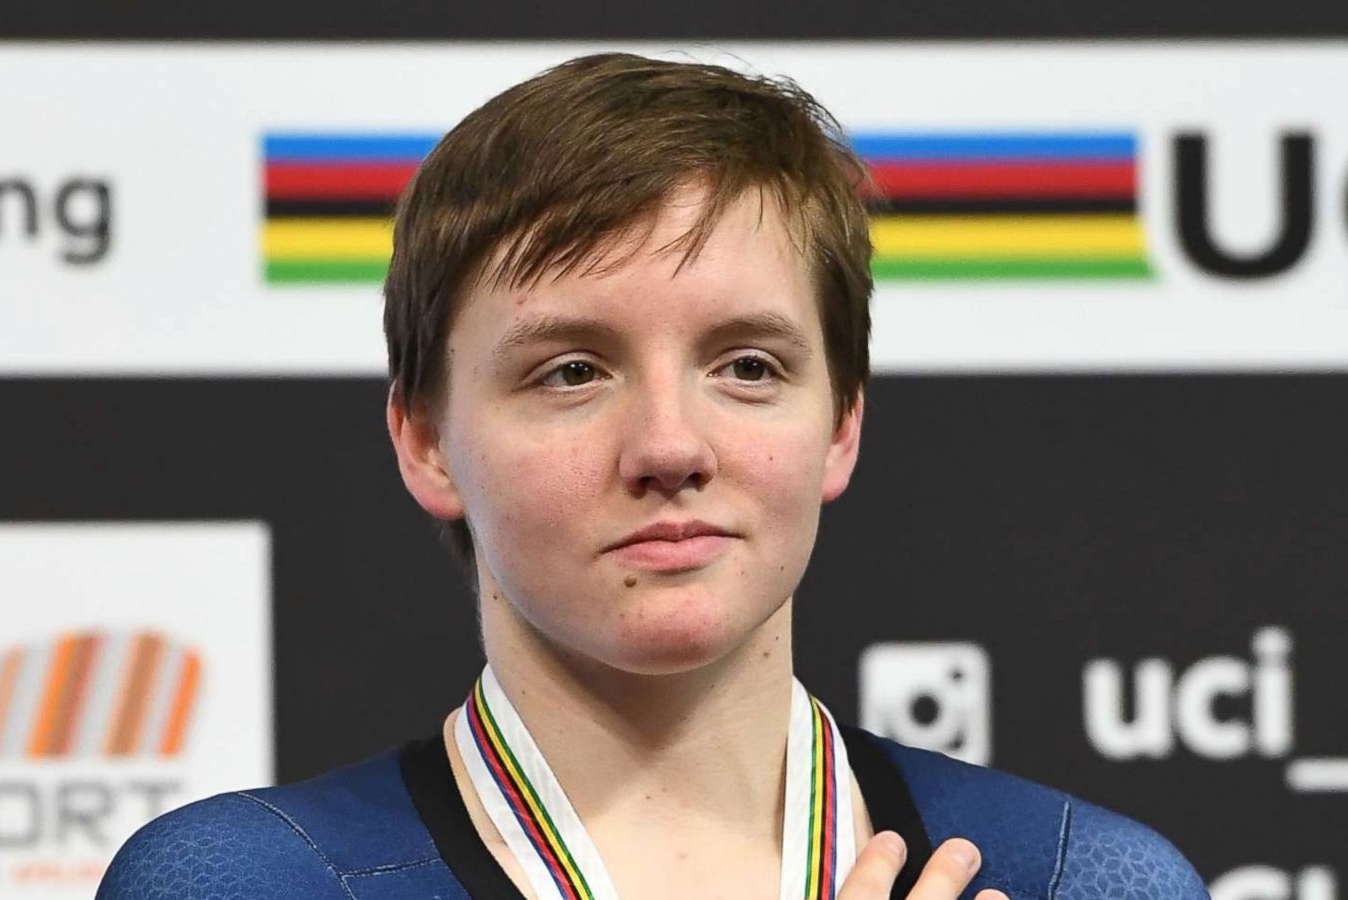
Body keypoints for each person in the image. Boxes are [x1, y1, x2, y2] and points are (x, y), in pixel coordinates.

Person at [96, 52, 1208, 900]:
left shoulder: (1077, 879)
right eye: (572, 371)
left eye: (747, 366)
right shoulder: (246, 883)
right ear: (427, 442)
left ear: (840, 425)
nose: (671, 446)